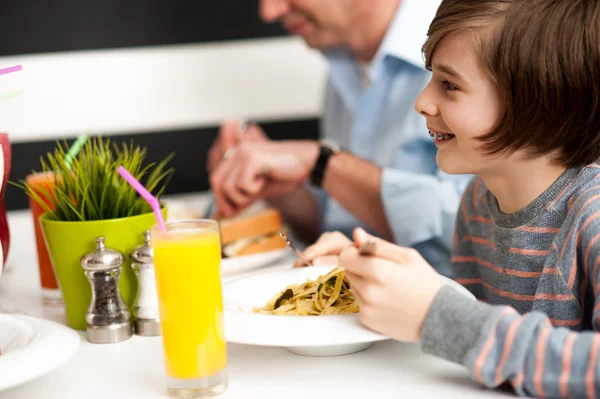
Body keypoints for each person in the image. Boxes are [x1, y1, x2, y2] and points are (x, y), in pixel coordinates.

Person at [304, 0, 600, 397]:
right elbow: (467, 309)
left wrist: (436, 316)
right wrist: (365, 269)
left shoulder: (592, 215)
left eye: (450, 85)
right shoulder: (480, 200)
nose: (422, 102)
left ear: (540, 102)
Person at [207, 0, 470, 277]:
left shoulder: (478, 39)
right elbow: (344, 225)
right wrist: (285, 189)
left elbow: (480, 231)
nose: (269, 11)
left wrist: (323, 163)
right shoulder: (342, 64)